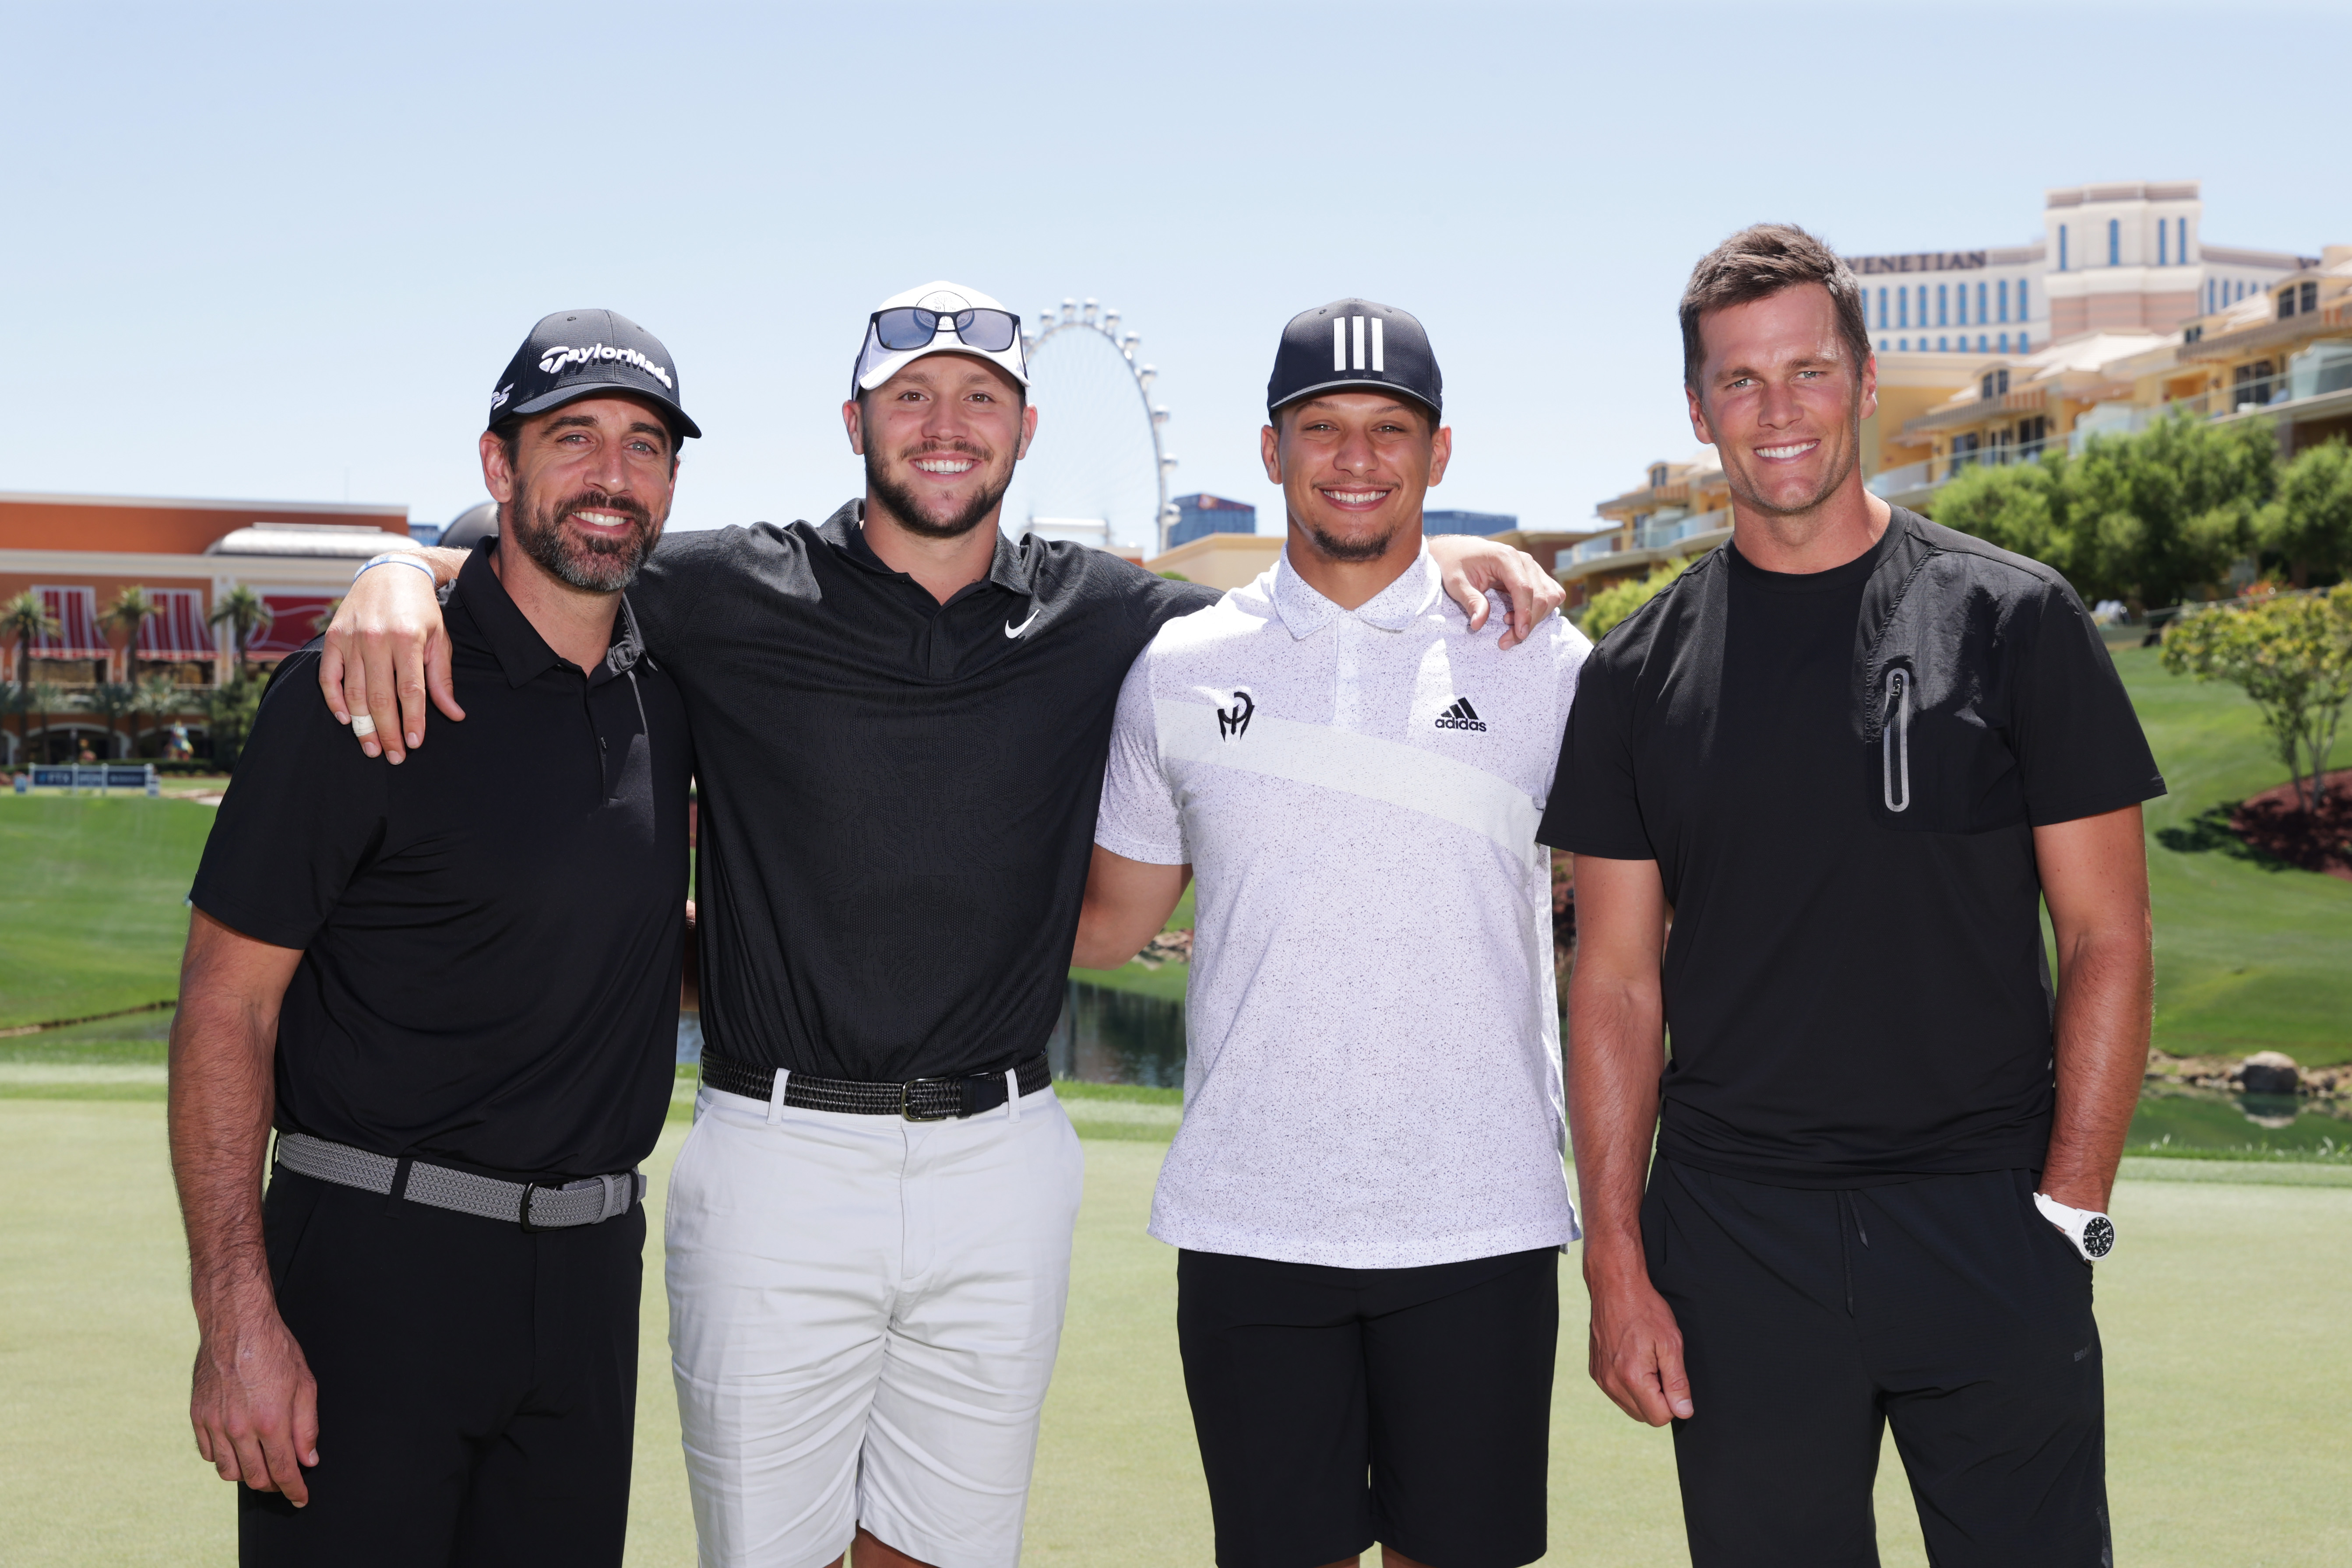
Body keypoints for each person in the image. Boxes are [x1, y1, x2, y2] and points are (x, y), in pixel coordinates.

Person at [314, 281, 1564, 1568]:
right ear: (855, 419)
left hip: (1000, 1162)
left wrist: (1446, 560)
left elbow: (1313, 609)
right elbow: (546, 552)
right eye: (911, 396)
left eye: (981, 398)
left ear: (1025, 434)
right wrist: (397, 563)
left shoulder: (1116, 623)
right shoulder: (722, 591)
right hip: (774, 1156)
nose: (945, 423)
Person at [1546, 225, 2161, 1567]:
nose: (1778, 412)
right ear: (1698, 407)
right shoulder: (1631, 674)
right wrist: (1615, 1260)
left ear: (1866, 379)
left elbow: (2109, 935)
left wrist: (2068, 1207)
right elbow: (1613, 983)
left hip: (1988, 1220)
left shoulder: (2016, 619)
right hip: (1734, 1239)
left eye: (1808, 371)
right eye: (1742, 382)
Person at [169, 308, 697, 1566]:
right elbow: (224, 1008)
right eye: (572, 437)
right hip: (372, 1271)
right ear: (496, 465)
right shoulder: (360, 688)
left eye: (645, 444)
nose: (611, 476)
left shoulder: (670, 689)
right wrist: (235, 1311)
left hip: (586, 1281)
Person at [1074, 299, 1588, 1568]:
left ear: (1438, 453)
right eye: (1321, 427)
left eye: (1387, 428)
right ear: (1269, 451)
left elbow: (1630, 918)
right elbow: (1106, 926)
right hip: (1251, 1219)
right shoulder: (1178, 668)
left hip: (1481, 1218)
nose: (1354, 457)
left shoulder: (1541, 656)